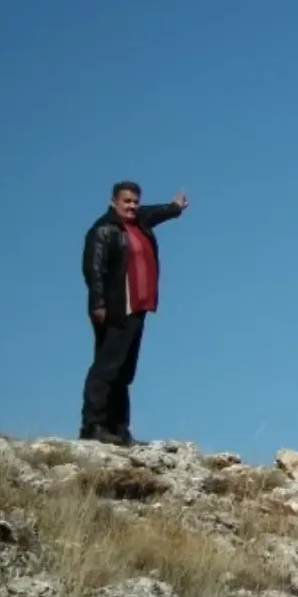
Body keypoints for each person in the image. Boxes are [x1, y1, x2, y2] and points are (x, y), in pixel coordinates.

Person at [80, 181, 189, 445]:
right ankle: (92, 426)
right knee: (106, 367)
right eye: (126, 201)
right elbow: (93, 269)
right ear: (113, 202)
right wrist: (98, 303)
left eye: (135, 201)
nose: (132, 206)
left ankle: (118, 429)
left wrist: (174, 208)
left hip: (138, 307)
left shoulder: (139, 222)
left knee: (125, 371)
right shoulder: (104, 230)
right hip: (116, 306)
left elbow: (155, 213)